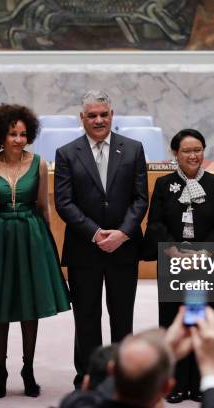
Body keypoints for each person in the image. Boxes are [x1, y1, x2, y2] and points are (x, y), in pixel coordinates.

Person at [0, 104, 71, 399]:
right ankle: (0, 370)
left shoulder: (38, 163)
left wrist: (48, 246)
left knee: (30, 305)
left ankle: (28, 368)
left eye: (23, 134)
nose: (18, 139)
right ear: (0, 134)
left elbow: (44, 208)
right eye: (13, 133)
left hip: (31, 235)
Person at [54, 89, 149, 389]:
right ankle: (90, 376)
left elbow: (140, 199)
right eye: (92, 115)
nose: (98, 120)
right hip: (84, 249)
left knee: (123, 318)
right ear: (81, 118)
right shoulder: (67, 153)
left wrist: (122, 233)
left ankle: (123, 374)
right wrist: (95, 233)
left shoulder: (133, 149)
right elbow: (64, 202)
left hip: (124, 247)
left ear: (112, 115)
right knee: (87, 318)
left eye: (103, 114)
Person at [143, 128, 214, 403]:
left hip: (206, 263)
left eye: (198, 150)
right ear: (175, 154)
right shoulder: (163, 184)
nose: (193, 156)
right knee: (173, 322)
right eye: (186, 151)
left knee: (200, 321)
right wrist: (174, 252)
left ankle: (198, 382)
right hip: (173, 262)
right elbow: (155, 223)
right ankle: (175, 383)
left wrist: (205, 252)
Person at [59, 306, 214, 408]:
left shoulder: (74, 403)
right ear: (166, 388)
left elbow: (84, 398)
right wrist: (210, 370)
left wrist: (164, 351)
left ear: (112, 369)